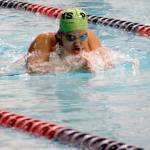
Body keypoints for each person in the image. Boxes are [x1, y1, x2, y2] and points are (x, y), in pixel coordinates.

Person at [26, 8, 113, 74]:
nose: (78, 43)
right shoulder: (45, 40)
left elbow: (108, 64)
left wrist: (93, 65)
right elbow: (33, 70)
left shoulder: (89, 37)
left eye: (82, 36)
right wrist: (72, 66)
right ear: (60, 35)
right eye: (71, 37)